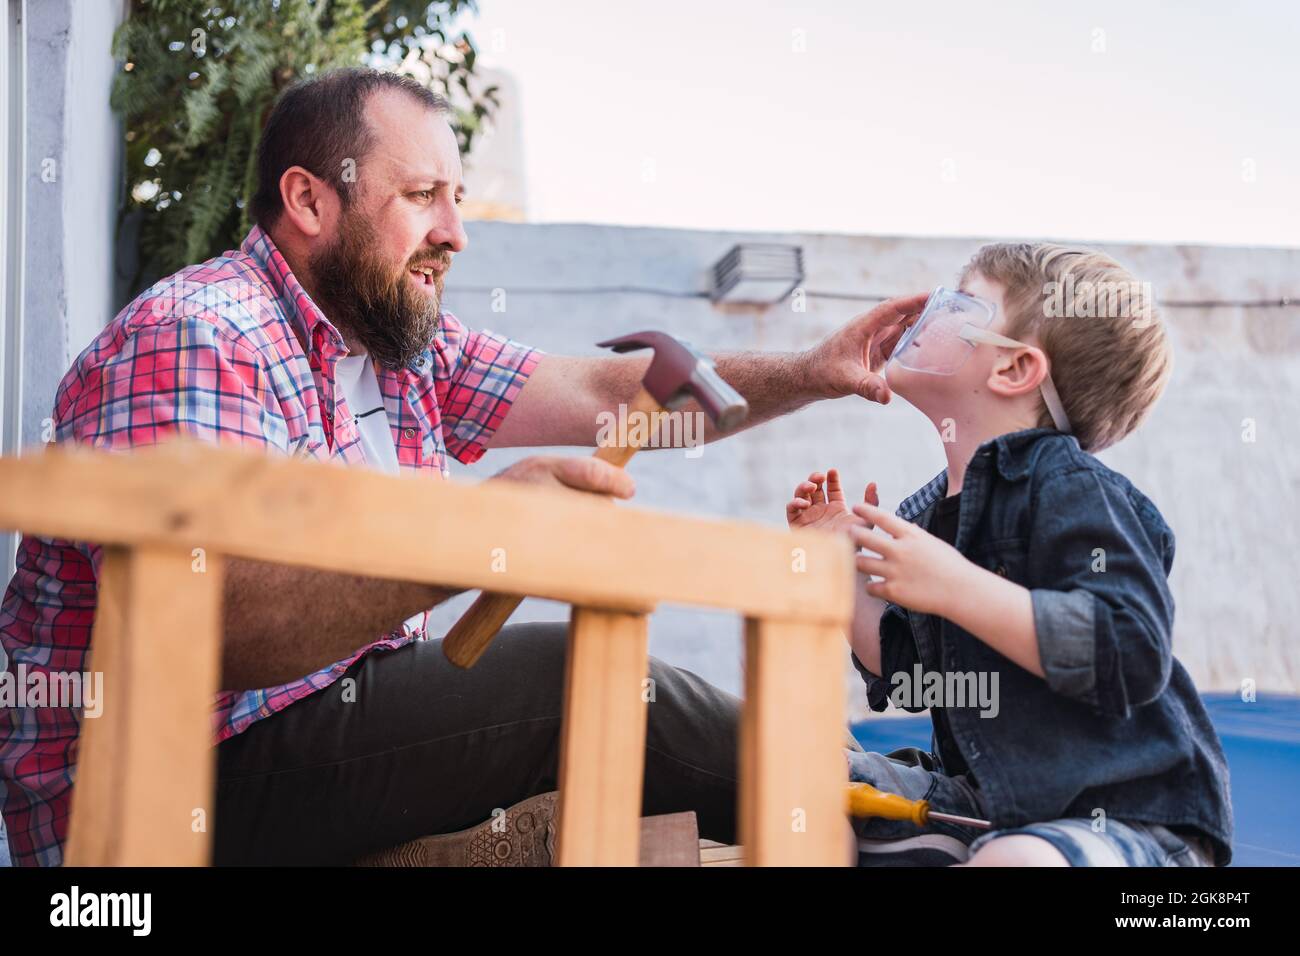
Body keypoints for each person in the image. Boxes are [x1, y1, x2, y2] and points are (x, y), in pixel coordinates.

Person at [0, 67, 924, 866]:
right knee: (564, 680)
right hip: (159, 789)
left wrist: (810, 374)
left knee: (610, 727)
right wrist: (478, 540)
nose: (456, 232)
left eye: (457, 199)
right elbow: (212, 632)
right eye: (421, 197)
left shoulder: (401, 349)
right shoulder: (199, 335)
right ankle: (896, 806)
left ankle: (874, 801)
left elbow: (612, 393)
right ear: (311, 201)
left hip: (307, 732)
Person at [787, 243, 1233, 866]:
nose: (931, 315)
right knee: (795, 784)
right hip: (989, 803)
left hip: (1125, 820)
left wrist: (953, 584)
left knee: (1017, 861)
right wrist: (840, 568)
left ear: (1014, 369)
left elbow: (1128, 649)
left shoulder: (1070, 486)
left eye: (962, 304)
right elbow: (908, 674)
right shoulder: (934, 514)